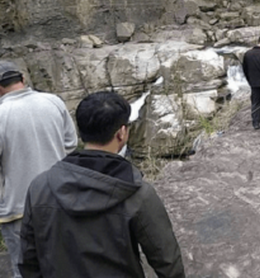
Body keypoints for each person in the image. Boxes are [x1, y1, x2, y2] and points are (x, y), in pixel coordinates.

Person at [19, 91, 185, 278]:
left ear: (80, 132)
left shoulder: (40, 187)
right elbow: (167, 262)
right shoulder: (137, 194)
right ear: (121, 133)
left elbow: (28, 260)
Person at [0, 61, 78, 278]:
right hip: (59, 200)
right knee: (65, 264)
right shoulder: (53, 102)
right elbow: (71, 144)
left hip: (17, 209)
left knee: (24, 271)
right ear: (23, 80)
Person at [243, 35, 260, 130]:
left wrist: (249, 80)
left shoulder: (247, 54)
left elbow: (245, 69)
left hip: (254, 82)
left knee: (256, 103)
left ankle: (256, 123)